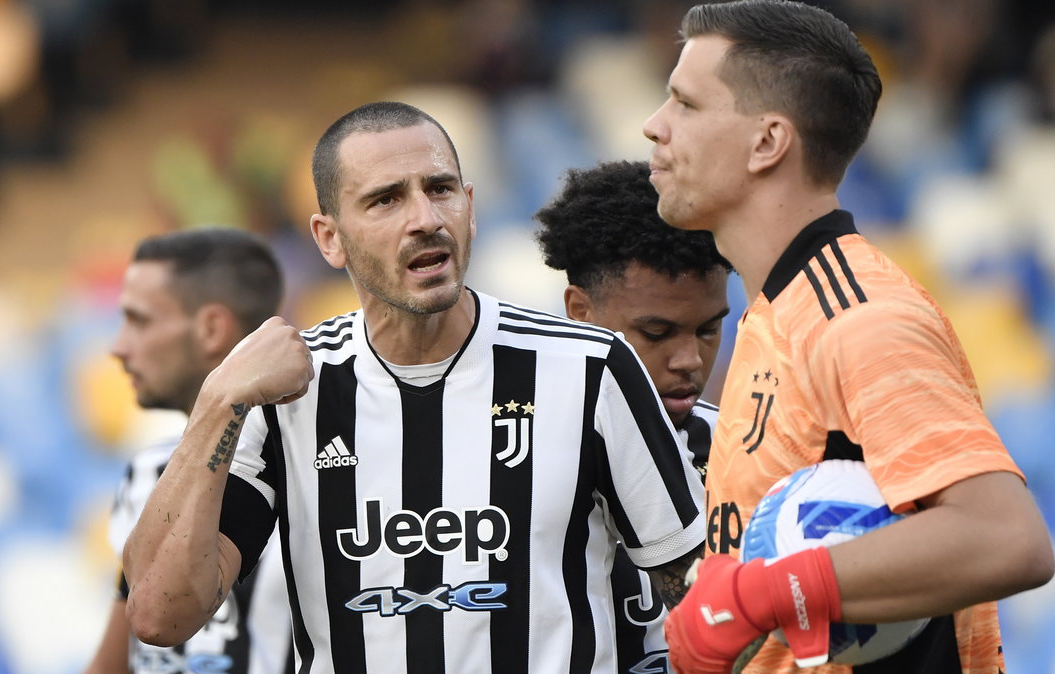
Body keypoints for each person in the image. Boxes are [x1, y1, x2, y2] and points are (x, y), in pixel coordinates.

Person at [121, 101, 706, 674]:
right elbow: (159, 615)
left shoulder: (589, 368)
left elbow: (699, 591)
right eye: (386, 200)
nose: (425, 218)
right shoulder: (285, 397)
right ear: (330, 238)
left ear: (471, 208)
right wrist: (218, 400)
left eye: (441, 189)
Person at [641, 1, 1055, 672]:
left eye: (685, 104)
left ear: (767, 143)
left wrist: (757, 594)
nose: (654, 126)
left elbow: (1009, 539)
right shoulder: (778, 310)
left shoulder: (859, 318)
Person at [535, 158, 732, 673]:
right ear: (580, 312)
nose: (689, 360)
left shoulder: (752, 451)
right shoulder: (517, 463)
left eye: (710, 329)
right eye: (657, 333)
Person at [84, 228, 292, 674]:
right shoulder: (146, 471)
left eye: (139, 321)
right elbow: (116, 661)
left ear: (211, 329)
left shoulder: (309, 464)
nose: (117, 348)